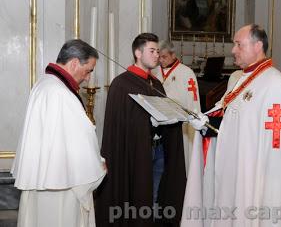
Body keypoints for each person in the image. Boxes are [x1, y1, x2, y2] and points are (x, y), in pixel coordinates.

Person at [182, 24, 281, 227]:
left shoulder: (275, 84)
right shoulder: (242, 79)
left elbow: (278, 145)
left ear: (258, 46)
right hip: (236, 170)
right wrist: (206, 123)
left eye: (239, 44)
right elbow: (233, 121)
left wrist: (269, 187)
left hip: (255, 176)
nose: (233, 50)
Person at [11, 39, 106, 227]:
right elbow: (81, 140)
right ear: (74, 63)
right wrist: (98, 165)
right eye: (88, 70)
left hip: (42, 179)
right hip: (62, 186)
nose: (88, 78)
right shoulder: (61, 94)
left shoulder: (44, 84)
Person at [95, 33, 186, 227]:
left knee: (154, 197)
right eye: (152, 51)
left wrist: (174, 116)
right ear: (138, 53)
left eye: (158, 51)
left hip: (158, 149)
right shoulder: (121, 84)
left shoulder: (156, 83)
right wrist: (146, 122)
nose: (156, 56)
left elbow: (164, 112)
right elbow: (120, 125)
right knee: (139, 195)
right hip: (135, 154)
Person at [153, 41, 201, 175]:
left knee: (177, 164)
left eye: (164, 57)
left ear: (173, 55)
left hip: (179, 126)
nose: (161, 60)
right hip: (159, 126)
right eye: (159, 57)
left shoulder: (186, 72)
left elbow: (192, 102)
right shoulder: (155, 71)